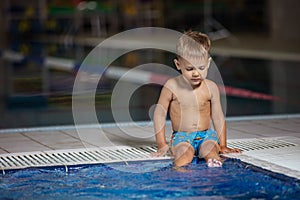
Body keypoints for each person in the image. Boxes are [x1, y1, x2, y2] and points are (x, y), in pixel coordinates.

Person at [151, 30, 241, 167]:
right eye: (189, 68)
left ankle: (213, 162)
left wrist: (223, 144)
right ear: (178, 65)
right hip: (182, 137)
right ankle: (180, 172)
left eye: (201, 67)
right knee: (184, 153)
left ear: (209, 63)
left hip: (206, 135)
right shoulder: (171, 86)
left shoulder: (211, 88)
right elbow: (159, 114)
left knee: (211, 149)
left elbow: (217, 116)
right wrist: (161, 144)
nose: (196, 73)